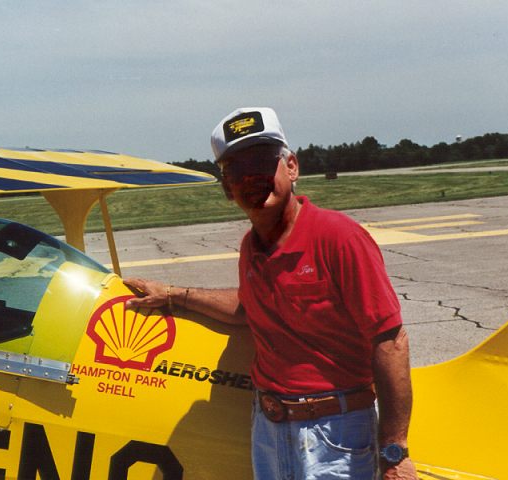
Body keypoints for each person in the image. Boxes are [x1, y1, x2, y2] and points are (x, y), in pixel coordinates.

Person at [125, 107, 417, 480]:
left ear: (291, 167)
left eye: (263, 162)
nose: (251, 178)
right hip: (270, 429)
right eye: (235, 171)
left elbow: (390, 340)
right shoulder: (252, 246)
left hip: (336, 435)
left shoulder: (339, 237)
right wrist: (172, 295)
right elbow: (251, 308)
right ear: (227, 189)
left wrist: (394, 451)